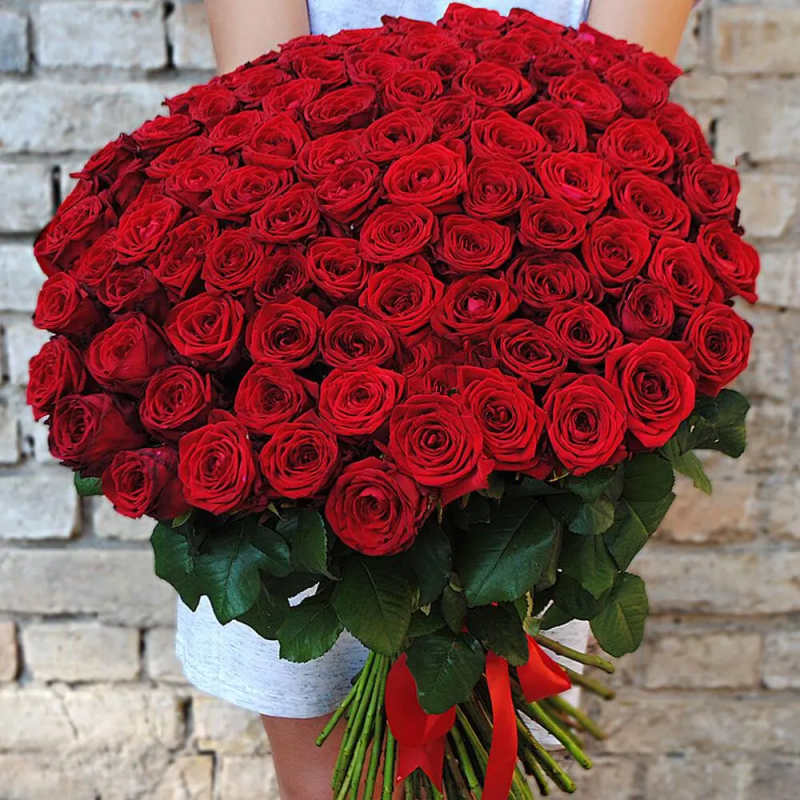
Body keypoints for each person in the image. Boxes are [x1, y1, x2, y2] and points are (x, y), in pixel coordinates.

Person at [178, 2, 696, 798]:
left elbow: (613, 116)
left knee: (489, 748)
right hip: (296, 391)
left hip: (537, 421)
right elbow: (260, 117)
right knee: (326, 775)